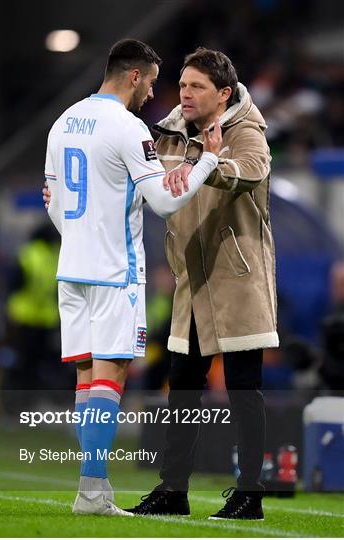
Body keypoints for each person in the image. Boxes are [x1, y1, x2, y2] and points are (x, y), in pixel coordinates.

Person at [44, 39, 223, 517]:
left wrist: (84, 234)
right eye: (152, 82)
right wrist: (207, 160)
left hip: (72, 269)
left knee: (87, 377)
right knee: (112, 374)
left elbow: (55, 205)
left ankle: (92, 491)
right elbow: (164, 202)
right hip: (114, 272)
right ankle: (93, 491)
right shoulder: (128, 128)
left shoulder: (62, 122)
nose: (153, 95)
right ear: (135, 76)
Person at [124, 48, 278, 520]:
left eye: (197, 87)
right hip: (192, 281)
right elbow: (139, 174)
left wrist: (208, 166)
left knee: (243, 389)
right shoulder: (167, 133)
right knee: (183, 389)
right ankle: (174, 490)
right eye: (183, 85)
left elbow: (251, 171)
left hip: (237, 279)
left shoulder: (247, 131)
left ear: (224, 94)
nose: (185, 94)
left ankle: (250, 492)